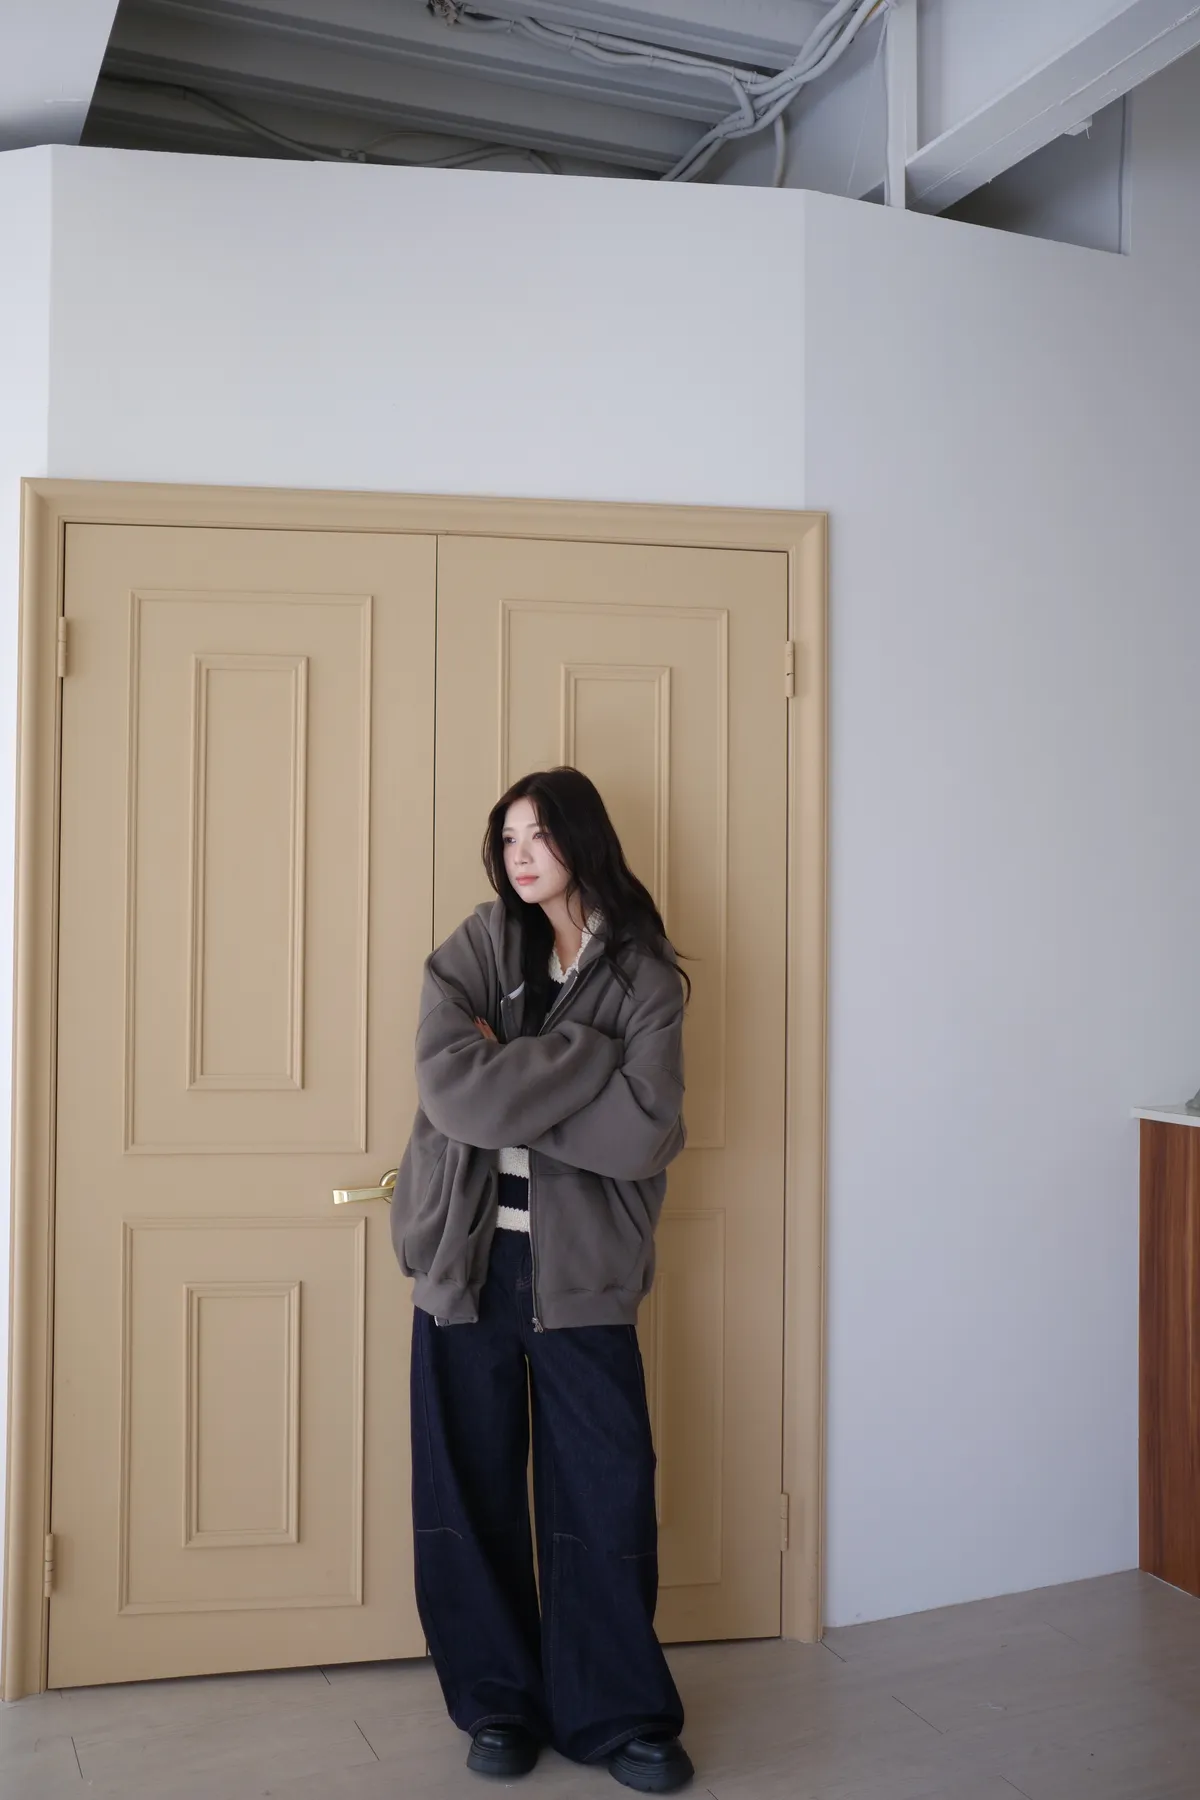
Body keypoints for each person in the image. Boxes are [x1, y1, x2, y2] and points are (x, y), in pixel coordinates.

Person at [391, 766, 693, 1794]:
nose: (519, 856)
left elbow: (643, 1135)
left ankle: (619, 1714)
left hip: (584, 1270)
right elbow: (453, 1095)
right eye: (508, 838)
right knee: (465, 1493)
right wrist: (582, 1061)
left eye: (538, 835)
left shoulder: (646, 977)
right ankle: (498, 1703)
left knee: (605, 1493)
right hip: (466, 1259)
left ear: (582, 839)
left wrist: (510, 1078)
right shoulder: (477, 948)